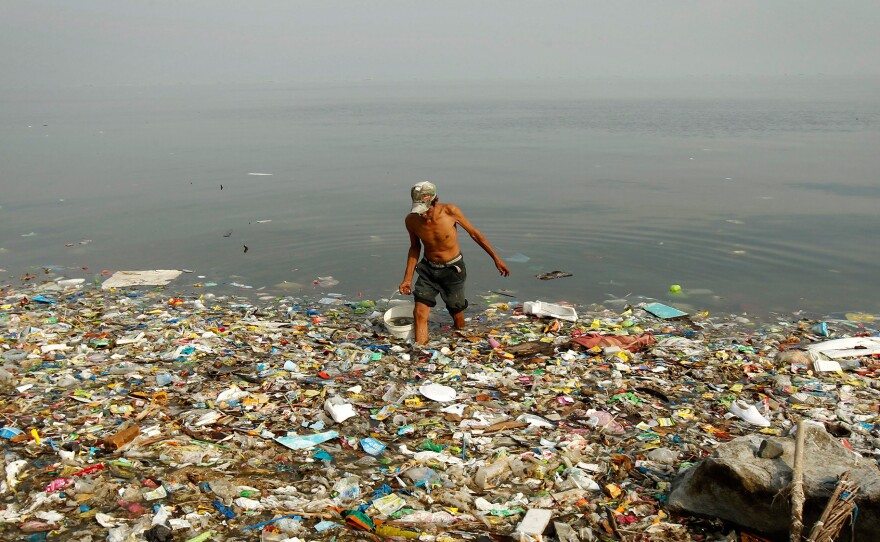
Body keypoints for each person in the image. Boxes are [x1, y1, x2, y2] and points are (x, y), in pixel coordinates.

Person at [398, 181, 510, 344]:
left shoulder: (450, 211)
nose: (422, 214)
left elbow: (475, 234)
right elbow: (415, 248)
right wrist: (407, 279)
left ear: (435, 200)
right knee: (419, 313)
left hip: (452, 270)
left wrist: (496, 259)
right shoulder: (411, 220)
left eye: (425, 208)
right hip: (428, 269)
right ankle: (421, 350)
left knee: (456, 310)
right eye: (418, 209)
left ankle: (460, 339)